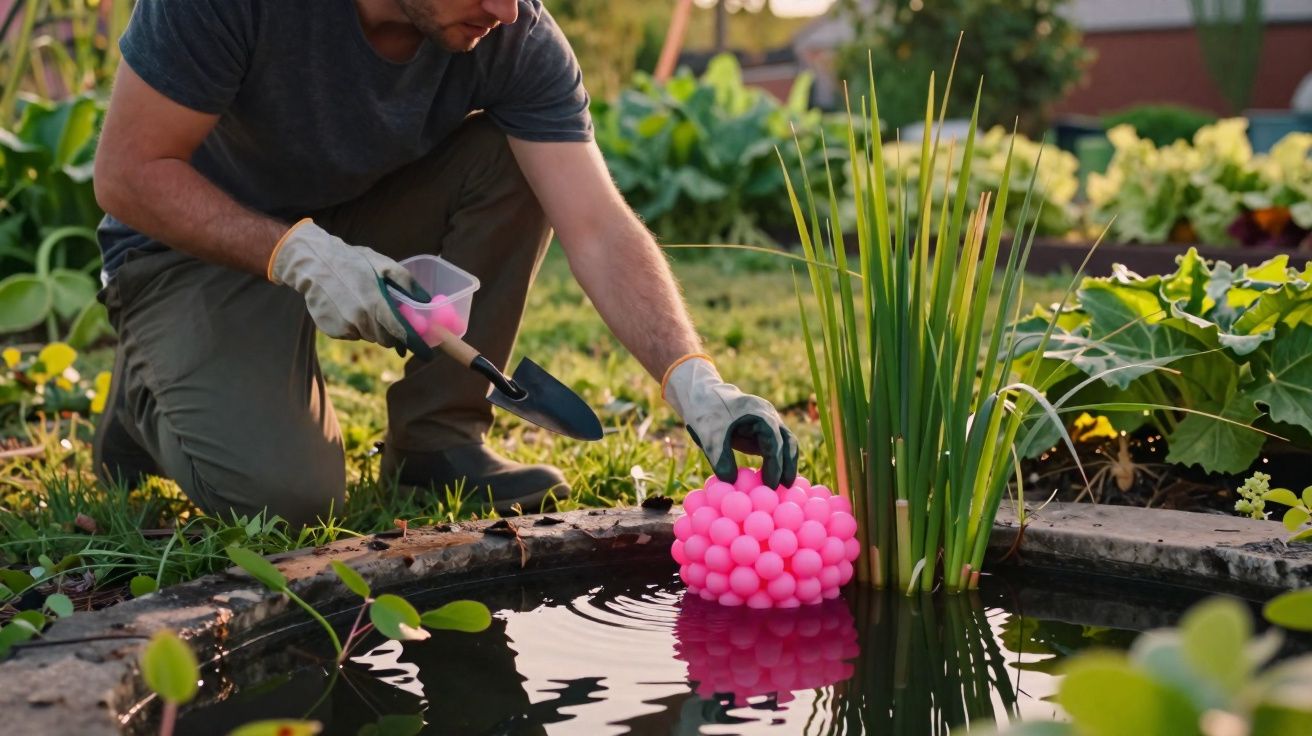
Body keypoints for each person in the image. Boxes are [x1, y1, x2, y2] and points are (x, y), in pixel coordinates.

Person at [91, 0, 798, 527]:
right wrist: (297, 253)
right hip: (186, 248)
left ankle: (435, 441)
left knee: (515, 157)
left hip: (346, 216)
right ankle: (143, 396)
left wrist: (694, 381)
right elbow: (127, 173)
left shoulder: (512, 33)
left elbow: (599, 227)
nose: (506, 8)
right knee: (292, 502)